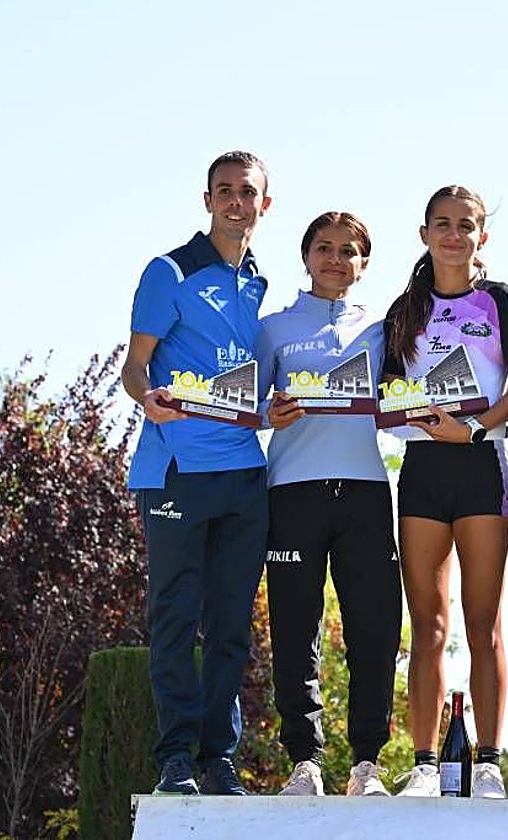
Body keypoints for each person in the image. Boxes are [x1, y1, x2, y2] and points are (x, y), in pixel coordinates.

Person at [121, 150, 272, 796]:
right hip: (178, 471)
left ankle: (219, 758)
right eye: (225, 191)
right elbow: (135, 364)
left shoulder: (260, 284)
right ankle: (176, 757)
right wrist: (143, 397)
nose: (236, 202)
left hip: (245, 473)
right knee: (177, 617)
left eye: (248, 192)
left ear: (266, 204)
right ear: (207, 200)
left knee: (232, 624)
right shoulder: (169, 270)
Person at [384, 185, 508, 798]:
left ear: (483, 235)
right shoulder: (405, 309)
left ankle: (487, 762)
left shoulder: (502, 301)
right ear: (425, 233)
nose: (454, 235)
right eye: (442, 224)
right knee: (426, 625)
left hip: (483, 467)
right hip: (421, 470)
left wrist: (474, 428)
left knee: (484, 624)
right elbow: (392, 393)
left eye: (466, 225)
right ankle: (426, 763)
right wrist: (422, 422)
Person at [255, 212, 402, 797]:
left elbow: (407, 397)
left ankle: (367, 764)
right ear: (306, 256)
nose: (335, 259)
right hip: (291, 491)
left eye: (349, 251)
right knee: (295, 629)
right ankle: (305, 763)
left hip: (365, 488)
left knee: (374, 629)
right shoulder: (272, 329)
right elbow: (250, 405)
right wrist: (270, 412)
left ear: (364, 264)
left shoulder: (386, 327)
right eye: (324, 248)